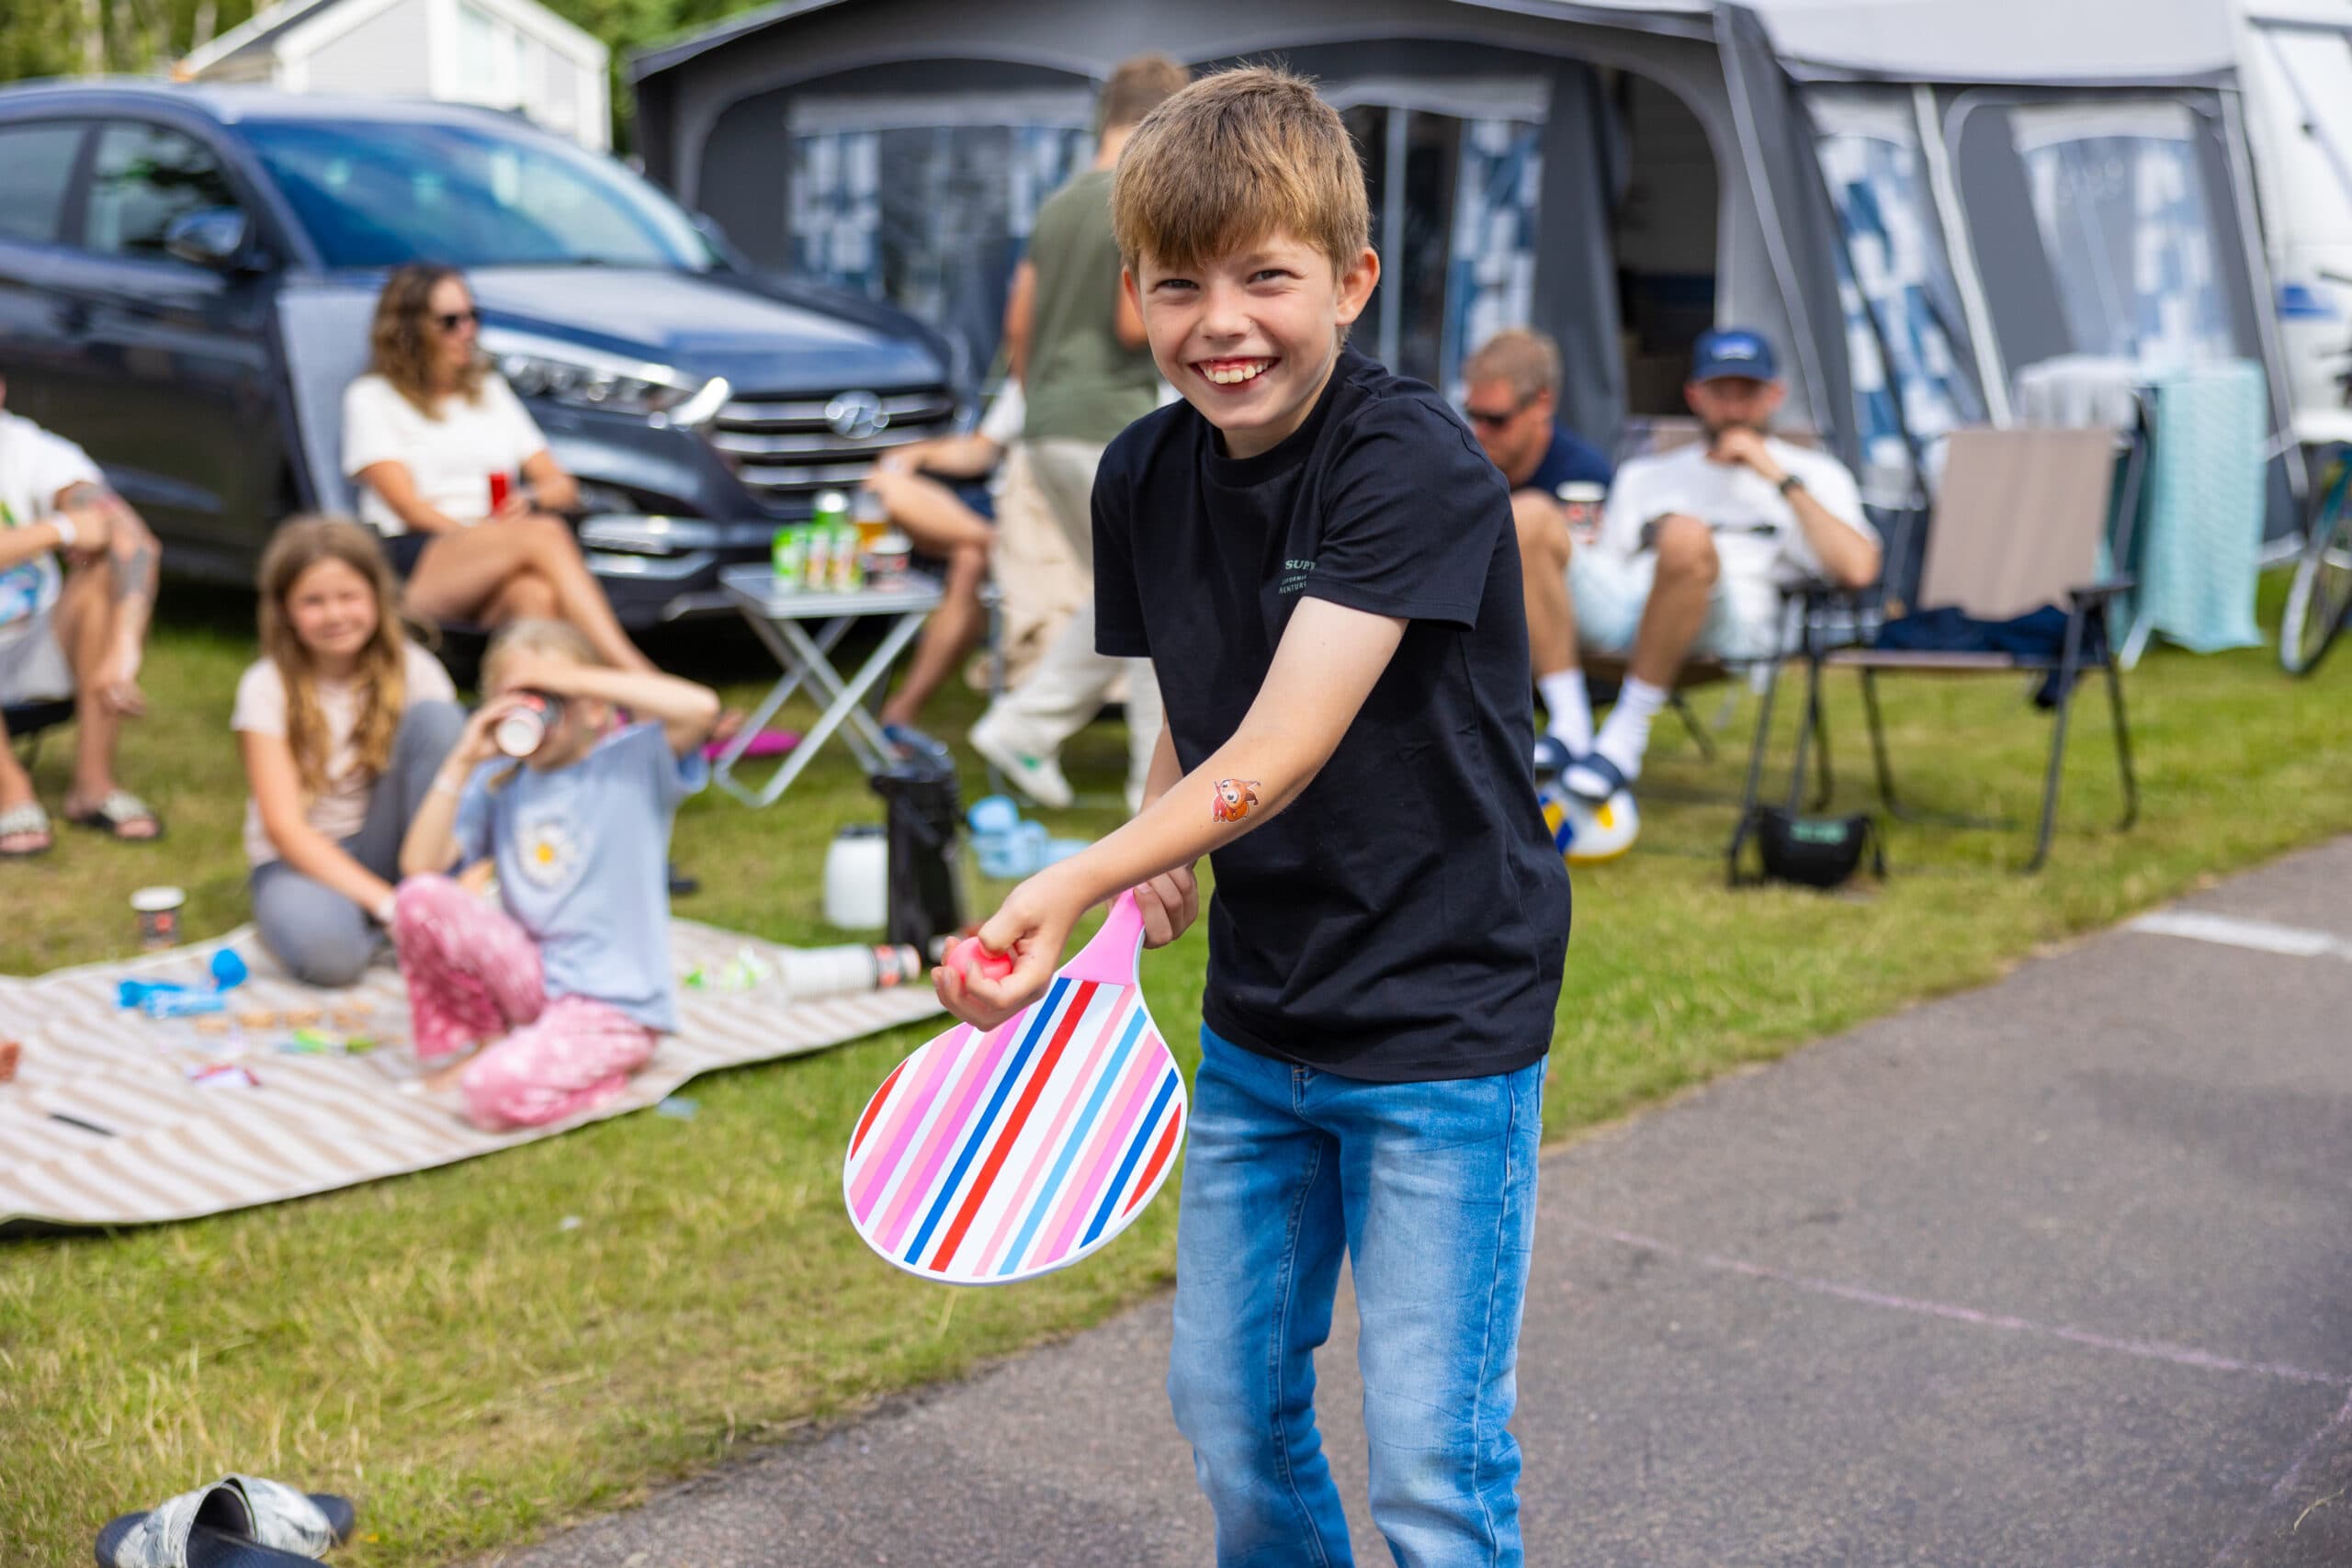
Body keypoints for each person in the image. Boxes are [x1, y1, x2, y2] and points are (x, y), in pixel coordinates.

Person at [933, 68, 1570, 1567]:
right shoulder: (1143, 474)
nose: (1223, 322)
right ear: (1133, 298)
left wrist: (1081, 873)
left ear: (1349, 280)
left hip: (1442, 1027)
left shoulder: (1408, 460)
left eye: (1265, 277)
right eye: (1178, 285)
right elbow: (1205, 708)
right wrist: (1163, 855)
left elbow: (1282, 744)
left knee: (1431, 1459)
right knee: (1225, 1405)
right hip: (1262, 1025)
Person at [1520, 327, 1881, 818]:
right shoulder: (1645, 473)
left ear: (1775, 394)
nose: (1734, 407)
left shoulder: (1814, 473)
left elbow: (1860, 569)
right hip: (1629, 606)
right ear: (1694, 396)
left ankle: (1625, 736)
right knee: (1527, 514)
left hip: (1730, 626)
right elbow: (1607, 561)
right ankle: (1569, 723)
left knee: (1686, 535)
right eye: (1720, 391)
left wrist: (1776, 476)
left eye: (1748, 392)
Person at [964, 52, 1193, 813]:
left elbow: (1017, 320)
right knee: (1160, 601)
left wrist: (1038, 400)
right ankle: (1150, 797)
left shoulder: (1059, 203)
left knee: (1125, 595)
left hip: (1047, 427)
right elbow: (1138, 321)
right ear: (1166, 119)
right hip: (1110, 426)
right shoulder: (1136, 198)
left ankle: (1025, 726)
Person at [394, 618, 717, 1131]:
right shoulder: (500, 782)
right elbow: (419, 867)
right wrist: (461, 760)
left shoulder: (629, 765)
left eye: (547, 696)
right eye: (516, 697)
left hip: (613, 1004)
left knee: (487, 1095)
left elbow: (701, 709)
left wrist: (576, 680)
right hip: (541, 981)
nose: (536, 710)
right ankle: (489, 1040)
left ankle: (599, 1071)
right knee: (419, 898)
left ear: (590, 704)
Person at [344, 265, 656, 675]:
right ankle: (639, 679)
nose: (468, 331)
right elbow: (408, 508)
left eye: (474, 317)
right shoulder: (373, 398)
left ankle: (546, 715)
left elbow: (561, 486)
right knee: (544, 534)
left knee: (535, 594)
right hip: (416, 559)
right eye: (450, 321)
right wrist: (500, 539)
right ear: (408, 329)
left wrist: (530, 499)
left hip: (499, 553)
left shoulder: (489, 391)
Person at [234, 518, 464, 985]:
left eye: (348, 596)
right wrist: (389, 905)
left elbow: (460, 786)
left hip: (393, 843)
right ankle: (389, 925)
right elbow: (284, 829)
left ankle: (429, 906)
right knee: (330, 958)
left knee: (441, 721)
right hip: (302, 860)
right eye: (313, 602)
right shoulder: (265, 686)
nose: (335, 615)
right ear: (285, 610)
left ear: (377, 597)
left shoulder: (415, 669)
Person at [0, 380, 164, 855]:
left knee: (103, 575)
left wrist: (125, 647)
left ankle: (93, 786)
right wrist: (61, 528)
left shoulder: (34, 450)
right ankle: (10, 792)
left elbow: (133, 539)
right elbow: (79, 526)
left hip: (33, 641)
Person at [861, 382, 1028, 754]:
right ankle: (994, 542)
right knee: (889, 487)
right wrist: (918, 453)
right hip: (992, 514)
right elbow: (981, 451)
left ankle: (903, 709)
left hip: (1032, 521)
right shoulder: (1027, 381)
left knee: (968, 556)